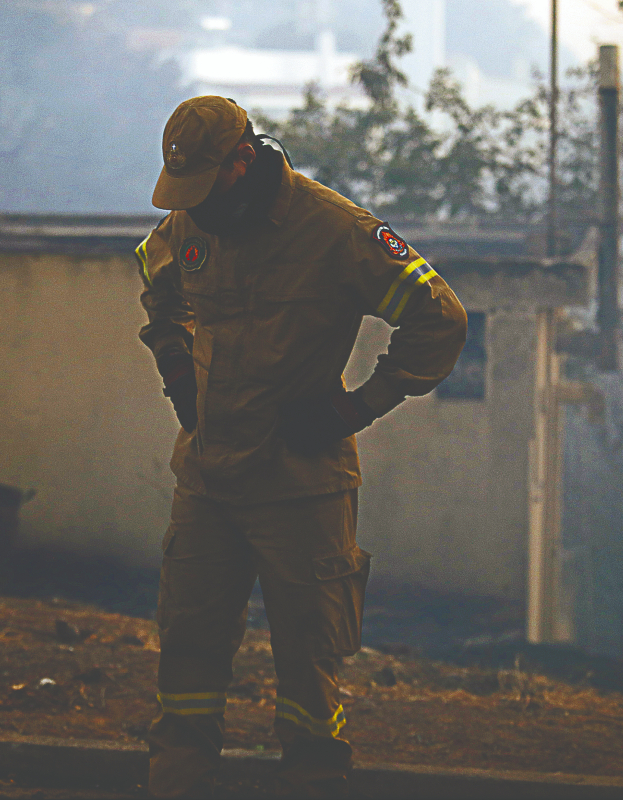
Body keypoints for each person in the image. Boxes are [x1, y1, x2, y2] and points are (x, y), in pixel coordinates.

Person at [136, 95, 467, 798]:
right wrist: (177, 376)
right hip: (207, 480)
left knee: (307, 664)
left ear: (242, 162)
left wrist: (357, 407)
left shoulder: (337, 231)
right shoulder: (190, 222)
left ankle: (316, 779)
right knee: (187, 652)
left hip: (300, 487)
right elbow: (157, 287)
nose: (190, 206)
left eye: (202, 186)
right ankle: (177, 783)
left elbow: (440, 320)